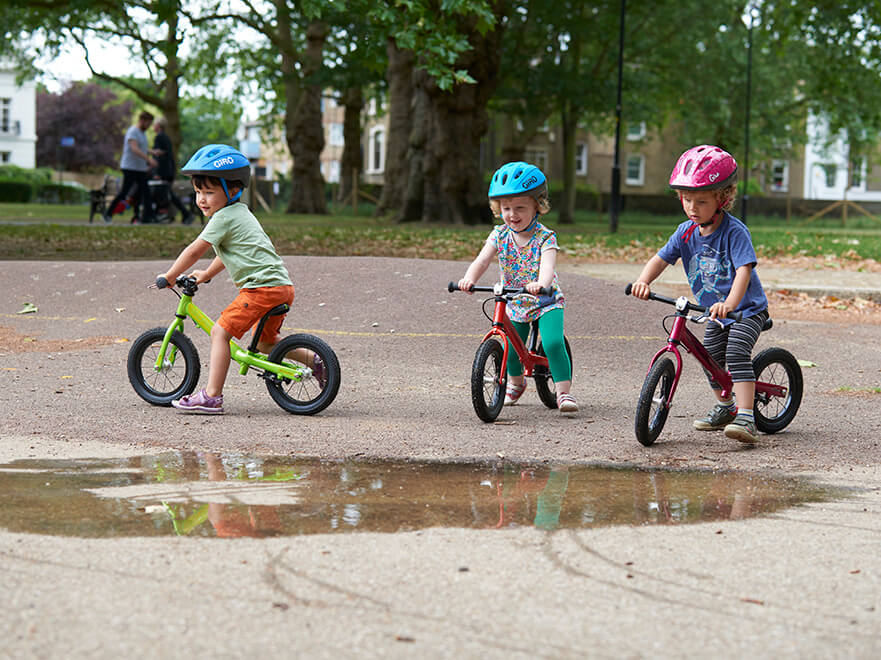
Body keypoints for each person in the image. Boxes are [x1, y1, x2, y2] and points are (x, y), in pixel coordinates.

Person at [630, 145, 769, 443]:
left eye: (701, 201)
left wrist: (729, 304)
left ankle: (746, 417)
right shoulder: (685, 232)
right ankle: (726, 406)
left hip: (746, 310)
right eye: (687, 199)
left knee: (736, 352)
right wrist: (643, 281)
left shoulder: (735, 232)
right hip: (714, 312)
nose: (693, 207)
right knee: (708, 356)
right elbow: (661, 259)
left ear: (724, 198)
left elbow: (744, 271)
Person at [158, 144, 300, 414]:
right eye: (198, 192)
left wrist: (170, 275)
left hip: (261, 290)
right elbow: (230, 253)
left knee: (219, 332)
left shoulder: (223, 218)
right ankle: (316, 362)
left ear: (233, 190)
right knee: (266, 344)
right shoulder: (240, 213)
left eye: (209, 192)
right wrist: (206, 274)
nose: (202, 199)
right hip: (280, 287)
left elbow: (194, 250)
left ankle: (212, 397)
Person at [458, 161, 577, 414]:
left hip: (546, 299)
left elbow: (547, 265)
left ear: (538, 205)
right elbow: (482, 260)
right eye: (506, 207)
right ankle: (515, 383)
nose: (512, 214)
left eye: (520, 207)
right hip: (515, 299)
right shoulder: (499, 235)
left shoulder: (545, 237)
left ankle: (564, 392)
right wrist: (469, 279)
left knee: (554, 342)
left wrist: (541, 285)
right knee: (511, 348)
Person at [104, 110, 158, 224]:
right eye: (148, 123)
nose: (149, 126)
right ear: (142, 121)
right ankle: (108, 213)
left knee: (145, 192)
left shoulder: (142, 133)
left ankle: (147, 217)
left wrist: (153, 152)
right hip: (130, 167)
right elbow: (134, 148)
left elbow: (142, 148)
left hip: (140, 168)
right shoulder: (133, 131)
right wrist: (149, 159)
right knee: (125, 193)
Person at [150, 117, 194, 224]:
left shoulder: (159, 137)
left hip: (163, 172)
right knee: (168, 194)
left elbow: (159, 156)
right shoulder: (166, 138)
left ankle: (184, 214)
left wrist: (156, 172)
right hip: (169, 171)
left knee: (165, 194)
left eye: (154, 124)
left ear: (158, 126)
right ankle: (182, 214)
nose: (153, 126)